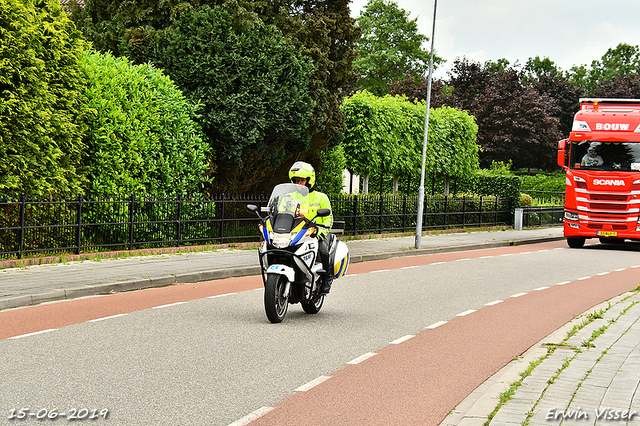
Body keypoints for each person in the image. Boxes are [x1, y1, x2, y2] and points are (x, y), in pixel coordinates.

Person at [288, 161, 335, 294]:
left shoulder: (321, 197)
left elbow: (328, 218)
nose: (299, 183)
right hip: (295, 234)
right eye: (296, 180)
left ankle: (327, 278)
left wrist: (322, 231)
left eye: (302, 180)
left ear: (309, 180)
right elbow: (281, 213)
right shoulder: (289, 197)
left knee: (324, 251)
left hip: (316, 232)